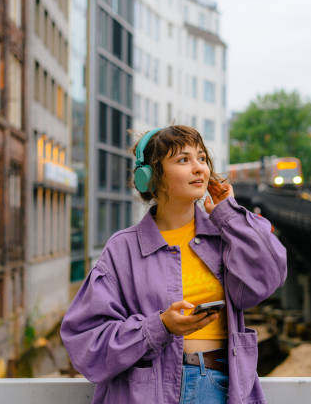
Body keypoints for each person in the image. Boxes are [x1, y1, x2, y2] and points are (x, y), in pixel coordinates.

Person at [60, 125, 287, 403]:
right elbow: (85, 340)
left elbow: (269, 277)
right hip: (146, 393)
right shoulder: (123, 249)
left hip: (222, 387)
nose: (199, 168)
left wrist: (230, 215)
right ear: (153, 176)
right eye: (183, 160)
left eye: (202, 158)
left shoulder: (224, 236)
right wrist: (160, 326)